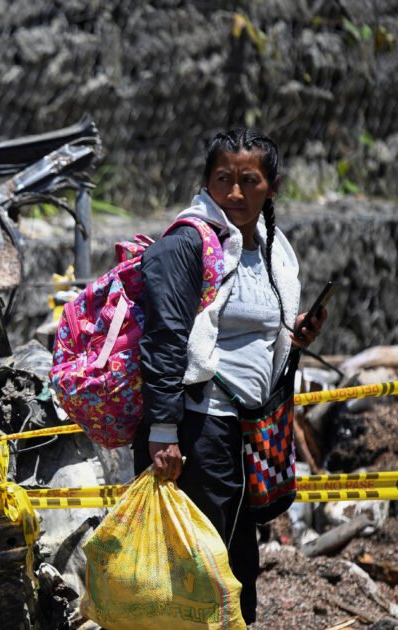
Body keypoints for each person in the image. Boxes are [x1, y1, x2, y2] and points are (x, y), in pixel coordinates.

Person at [135, 128, 326, 623]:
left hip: (252, 426)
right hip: (202, 425)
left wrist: (295, 332)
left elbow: (262, 324)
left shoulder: (270, 245)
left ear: (273, 186)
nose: (235, 193)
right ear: (207, 182)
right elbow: (164, 340)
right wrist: (162, 431)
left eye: (249, 180)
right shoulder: (188, 244)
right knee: (204, 551)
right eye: (223, 179)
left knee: (240, 545)